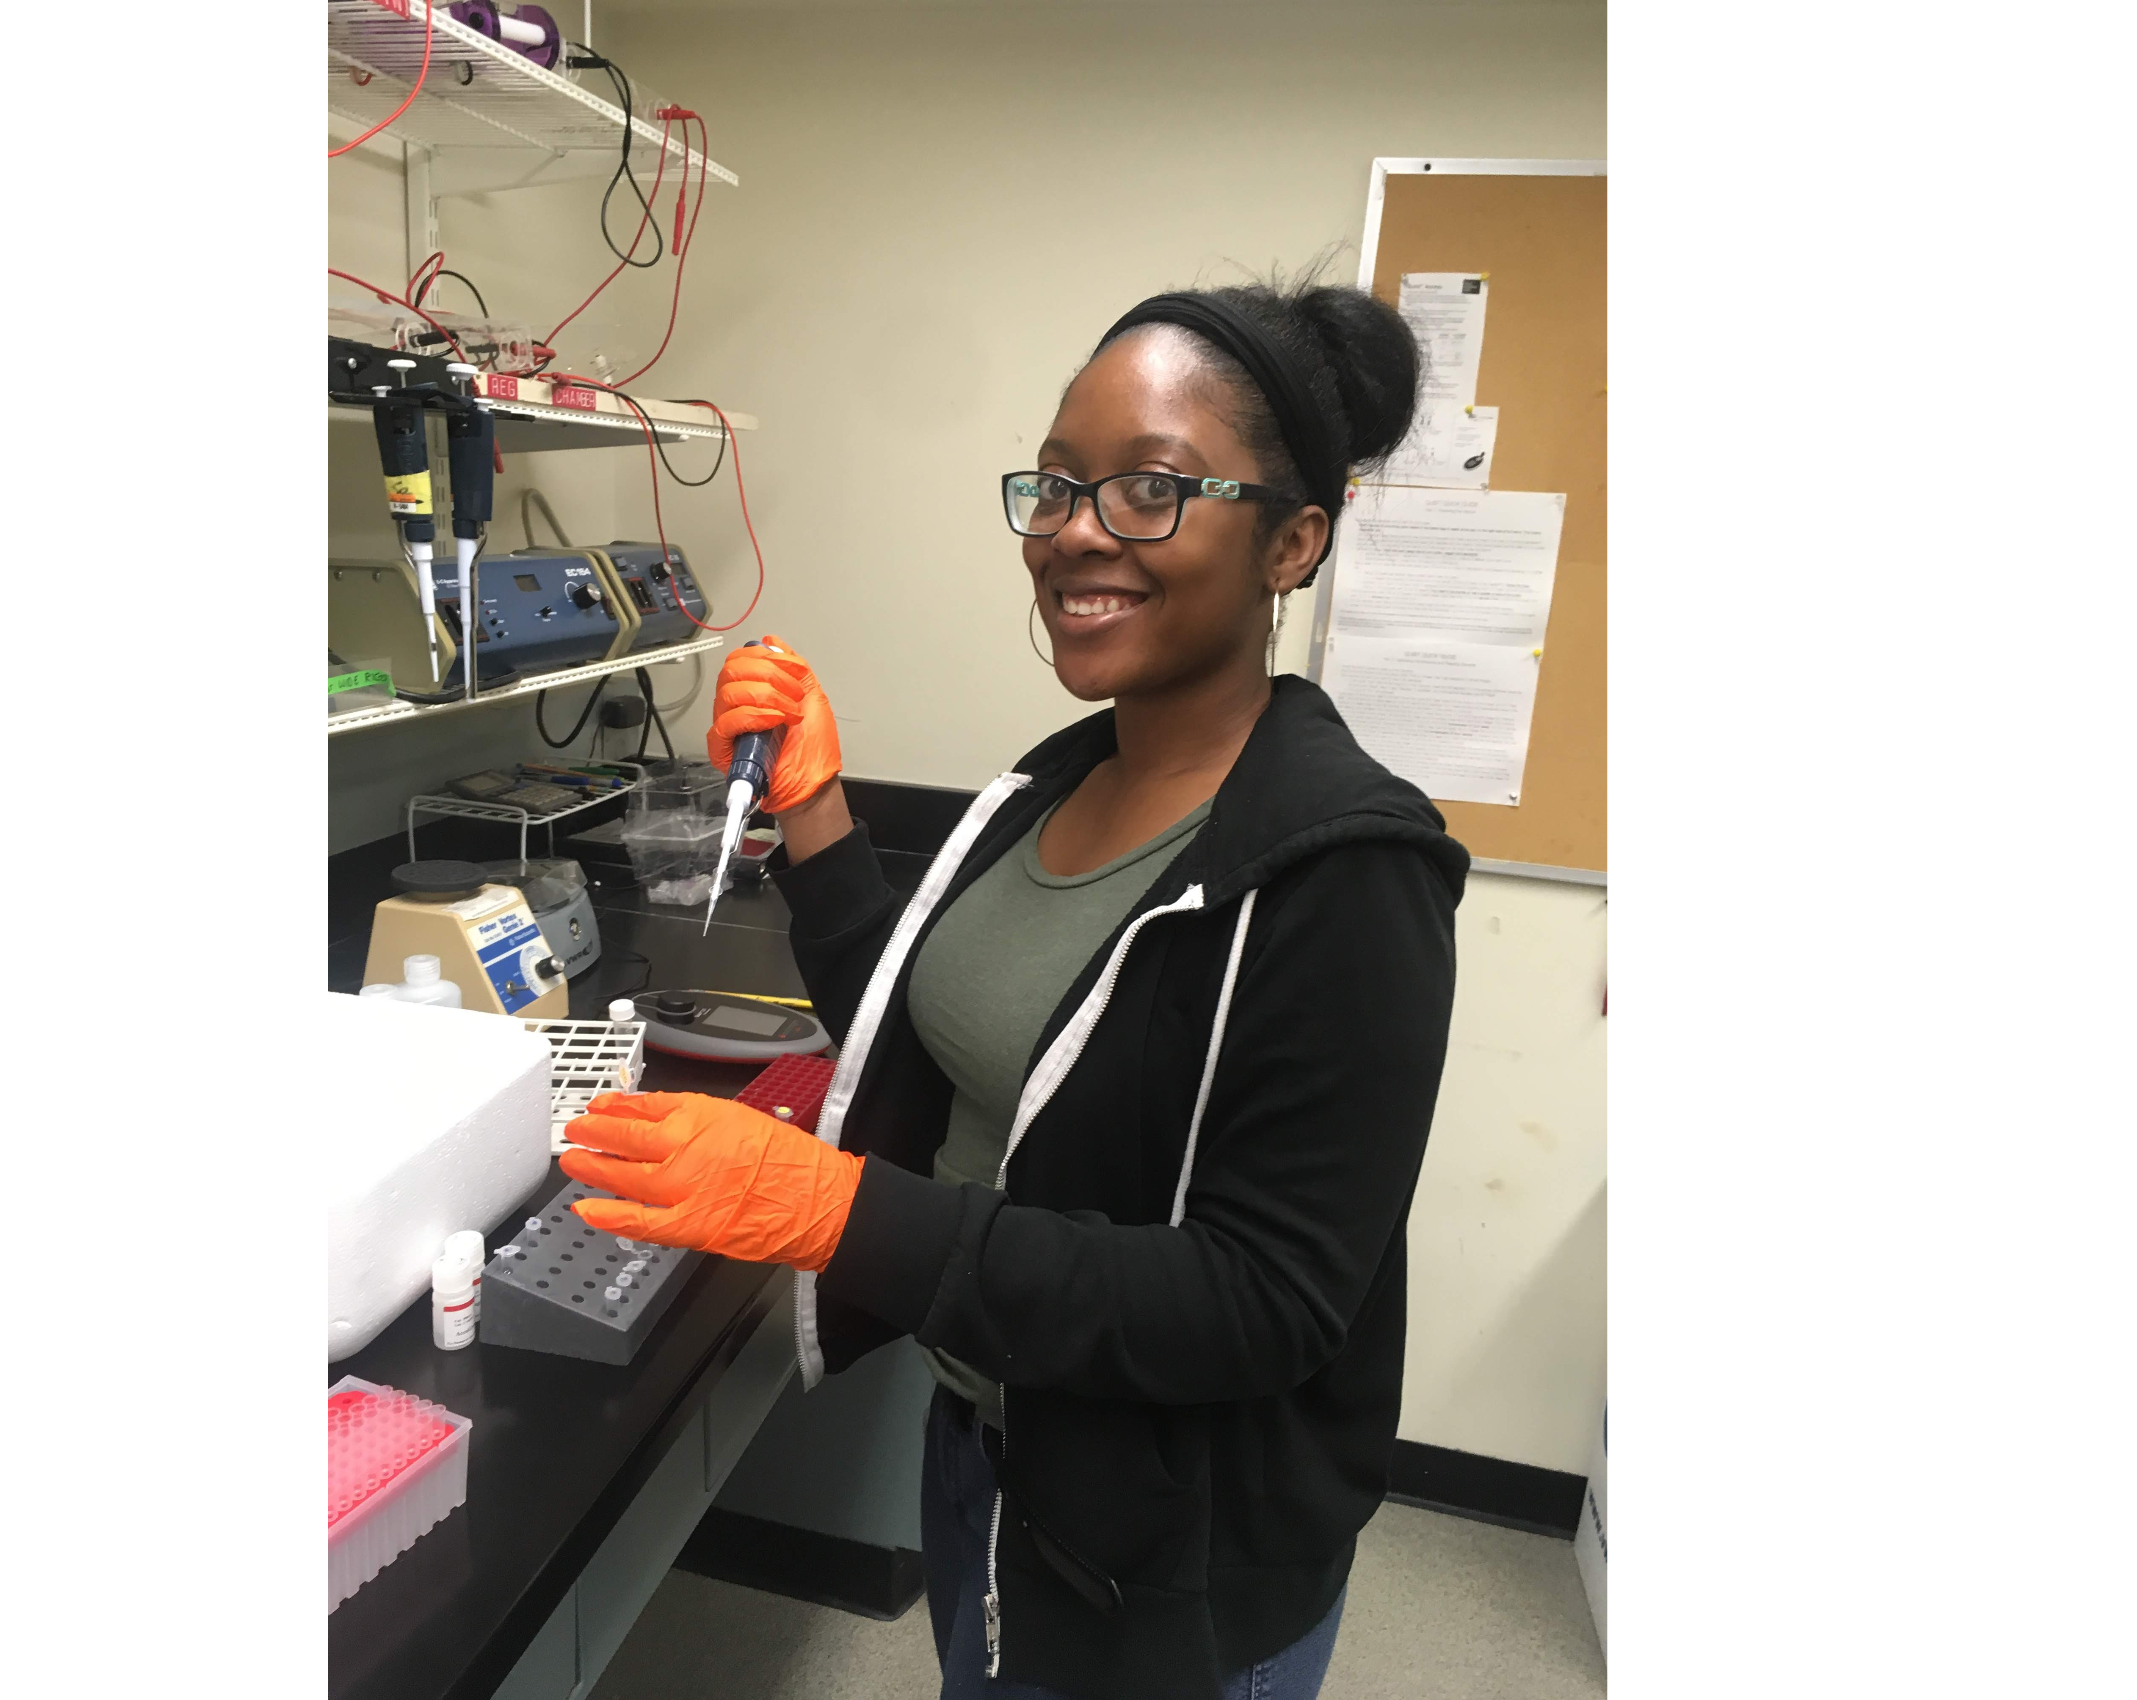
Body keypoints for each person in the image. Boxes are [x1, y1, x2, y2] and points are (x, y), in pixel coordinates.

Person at [561, 271, 1467, 1700]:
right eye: (1052, 486)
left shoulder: (1347, 869)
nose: (1072, 533)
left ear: (1291, 542)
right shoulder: (1055, 781)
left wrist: (838, 1211)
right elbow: (927, 1042)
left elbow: (1261, 1301)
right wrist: (812, 813)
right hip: (990, 1444)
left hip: (1170, 1542)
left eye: (1149, 490)